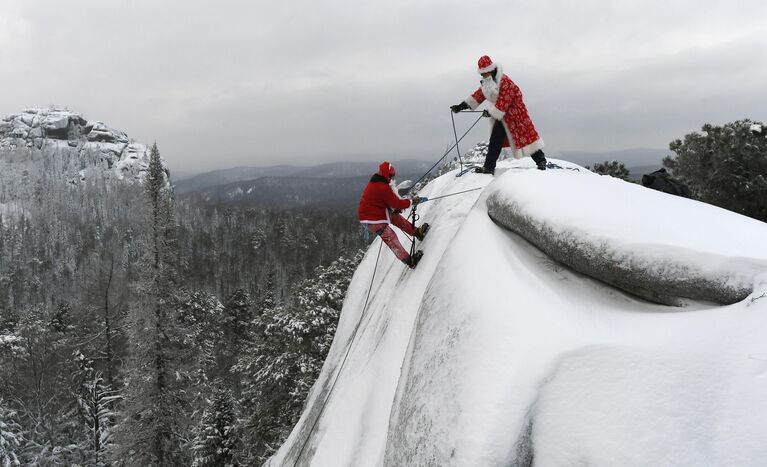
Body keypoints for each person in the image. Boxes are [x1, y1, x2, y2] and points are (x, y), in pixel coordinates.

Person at [451, 55, 547, 174]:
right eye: (482, 74)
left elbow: (504, 101)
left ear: (491, 71)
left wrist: (490, 112)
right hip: (502, 116)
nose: (483, 76)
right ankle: (489, 167)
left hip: (517, 114)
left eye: (485, 73)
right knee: (495, 140)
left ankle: (541, 160)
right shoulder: (488, 83)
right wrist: (461, 106)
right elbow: (478, 96)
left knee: (526, 136)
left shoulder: (505, 81)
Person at [358, 162, 430, 269]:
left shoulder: (378, 181)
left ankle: (417, 232)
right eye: (391, 176)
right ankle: (410, 261)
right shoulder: (382, 186)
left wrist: (395, 208)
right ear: (387, 175)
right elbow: (396, 203)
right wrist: (411, 202)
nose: (392, 178)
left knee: (396, 218)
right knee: (391, 237)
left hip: (376, 212)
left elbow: (384, 201)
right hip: (371, 219)